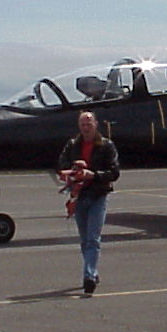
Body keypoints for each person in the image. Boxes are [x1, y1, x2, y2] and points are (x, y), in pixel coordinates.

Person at [57, 111, 120, 294]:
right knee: (85, 240)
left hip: (98, 195)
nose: (86, 127)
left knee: (93, 238)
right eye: (83, 124)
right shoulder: (72, 145)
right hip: (79, 195)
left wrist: (93, 174)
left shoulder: (107, 146)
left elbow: (114, 172)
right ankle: (92, 269)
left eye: (89, 123)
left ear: (96, 124)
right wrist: (72, 169)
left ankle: (89, 277)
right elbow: (62, 165)